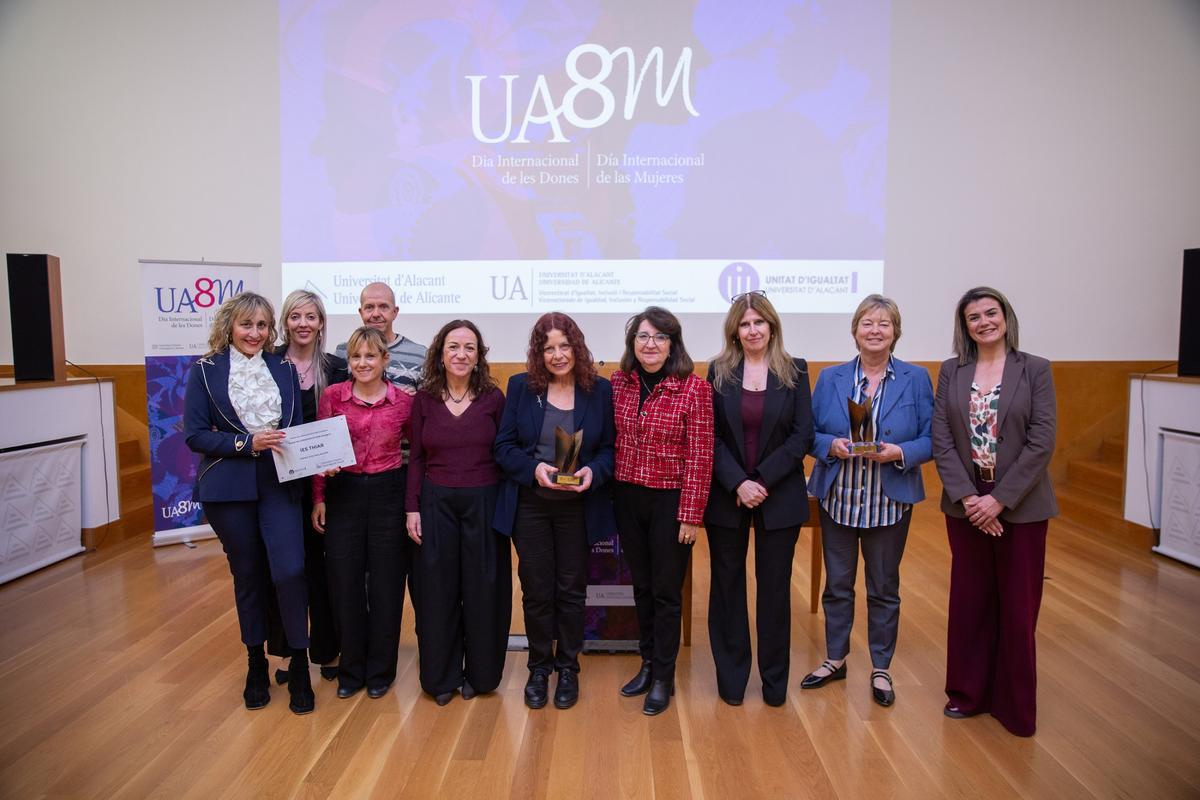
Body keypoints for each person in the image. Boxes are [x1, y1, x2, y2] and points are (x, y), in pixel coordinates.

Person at [933, 286, 1057, 737]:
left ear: (1005, 317)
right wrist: (969, 498)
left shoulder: (1035, 369)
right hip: (966, 505)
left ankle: (1013, 705)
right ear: (964, 327)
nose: (984, 322)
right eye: (974, 317)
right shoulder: (952, 371)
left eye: (991, 313)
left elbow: (1042, 440)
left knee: (1019, 606)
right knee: (970, 602)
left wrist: (999, 500)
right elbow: (942, 439)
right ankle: (967, 695)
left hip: (1019, 505)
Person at [183, 292, 313, 714]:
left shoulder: (283, 367)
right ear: (229, 326)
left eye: (261, 326)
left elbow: (297, 427)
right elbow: (196, 435)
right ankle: (255, 662)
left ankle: (299, 662)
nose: (255, 334)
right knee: (249, 575)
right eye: (246, 325)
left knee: (291, 571)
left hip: (279, 482)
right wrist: (246, 441)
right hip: (228, 488)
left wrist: (320, 459)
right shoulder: (205, 371)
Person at [802, 294, 933, 707]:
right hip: (840, 500)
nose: (875, 330)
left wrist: (900, 453)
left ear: (896, 332)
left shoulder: (915, 379)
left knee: (883, 588)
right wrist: (833, 445)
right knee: (837, 586)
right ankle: (835, 659)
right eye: (867, 323)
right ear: (855, 331)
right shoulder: (832, 378)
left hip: (888, 503)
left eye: (884, 324)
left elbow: (932, 438)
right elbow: (808, 434)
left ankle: (881, 667)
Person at [494, 313, 616, 710]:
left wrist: (592, 472)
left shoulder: (599, 391)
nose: (558, 354)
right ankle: (538, 667)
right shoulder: (520, 388)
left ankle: (569, 668)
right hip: (531, 505)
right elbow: (504, 448)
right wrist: (534, 469)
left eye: (564, 346)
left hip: (578, 507)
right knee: (536, 590)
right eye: (548, 348)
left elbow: (610, 451)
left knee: (571, 591)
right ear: (538, 352)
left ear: (576, 348)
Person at [704, 291, 813, 707]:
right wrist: (738, 483)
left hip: (778, 495)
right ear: (735, 329)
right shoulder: (718, 371)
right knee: (727, 589)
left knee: (774, 592)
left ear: (772, 327)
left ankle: (773, 684)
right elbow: (708, 436)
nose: (752, 330)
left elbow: (802, 435)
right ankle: (731, 681)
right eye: (744, 324)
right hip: (728, 497)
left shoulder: (796, 371)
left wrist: (762, 480)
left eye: (759, 323)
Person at [611, 306, 713, 715]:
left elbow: (701, 455)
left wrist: (691, 514)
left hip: (671, 501)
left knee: (667, 592)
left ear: (673, 344)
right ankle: (648, 662)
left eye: (659, 337)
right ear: (632, 343)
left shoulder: (694, 389)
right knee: (641, 588)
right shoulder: (619, 383)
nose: (649, 345)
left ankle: (664, 677)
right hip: (628, 497)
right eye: (642, 337)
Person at [405, 320, 510, 705]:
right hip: (435, 505)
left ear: (478, 355)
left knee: (484, 592)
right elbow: (416, 457)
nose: (461, 354)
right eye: (453, 347)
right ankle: (441, 677)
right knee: (437, 593)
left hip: (484, 503)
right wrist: (412, 507)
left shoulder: (494, 399)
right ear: (440, 353)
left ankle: (481, 677)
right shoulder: (424, 399)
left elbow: (504, 454)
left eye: (469, 347)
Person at [312, 326, 413, 699]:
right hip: (344, 494)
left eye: (371, 356)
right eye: (356, 356)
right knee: (345, 584)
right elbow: (321, 454)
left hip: (388, 494)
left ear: (385, 360)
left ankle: (380, 671)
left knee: (387, 585)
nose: (363, 363)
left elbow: (417, 456)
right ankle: (351, 670)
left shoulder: (404, 402)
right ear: (348, 361)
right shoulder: (332, 397)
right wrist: (319, 497)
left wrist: (411, 505)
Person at [266, 289, 348, 684]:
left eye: (311, 316)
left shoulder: (336, 367)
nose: (303, 323)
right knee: (285, 568)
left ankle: (327, 649)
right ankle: (287, 652)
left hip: (325, 485)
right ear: (285, 321)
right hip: (276, 483)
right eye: (295, 316)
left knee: (322, 566)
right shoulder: (266, 365)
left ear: (321, 323)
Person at [335, 282, 426, 393]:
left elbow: (428, 404)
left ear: (395, 312)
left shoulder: (420, 355)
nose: (376, 314)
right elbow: (337, 396)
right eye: (369, 307)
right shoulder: (343, 352)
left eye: (383, 307)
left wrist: (411, 401)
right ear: (361, 312)